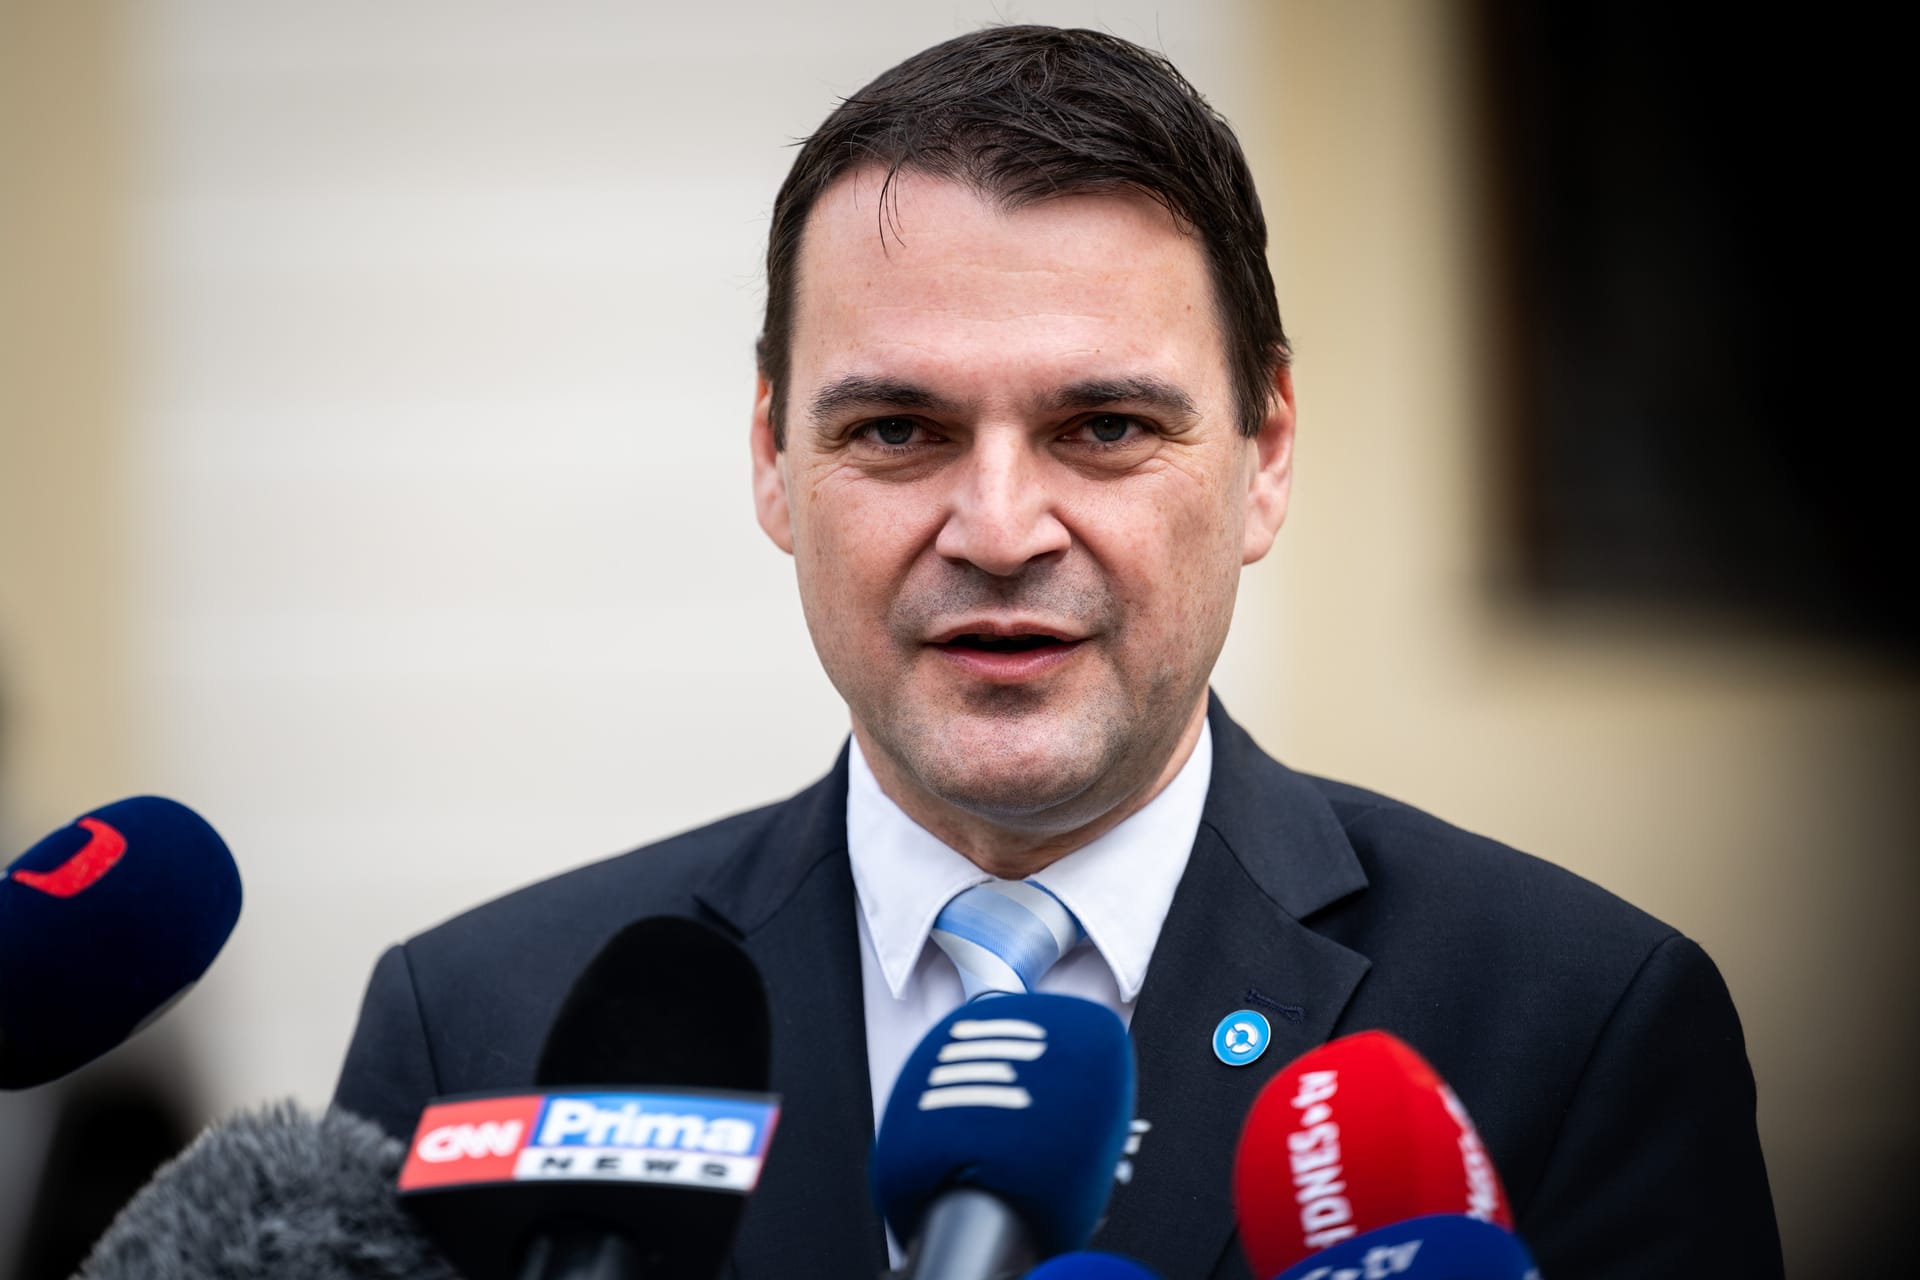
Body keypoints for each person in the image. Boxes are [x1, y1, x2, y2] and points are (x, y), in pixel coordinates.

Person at [334, 25, 1781, 1278]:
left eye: (1105, 427)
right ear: (774, 461)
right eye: (896, 429)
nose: (1000, 529)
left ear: (1266, 454)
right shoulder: (480, 1028)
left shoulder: (1574, 1025)